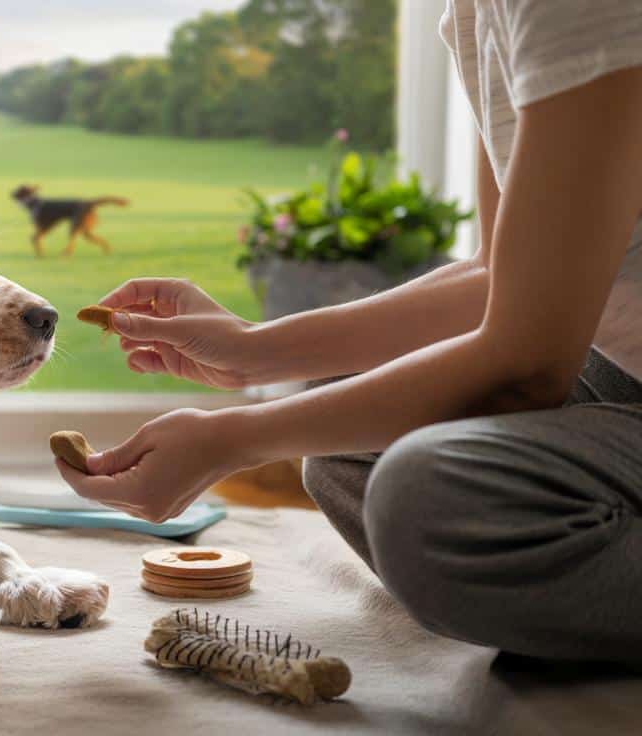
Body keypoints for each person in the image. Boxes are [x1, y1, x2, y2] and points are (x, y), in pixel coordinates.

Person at [58, 1, 642, 662]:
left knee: (421, 496)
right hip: (621, 370)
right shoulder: (478, 11)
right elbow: (498, 276)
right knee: (347, 432)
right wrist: (254, 350)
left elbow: (527, 368)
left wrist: (232, 441)